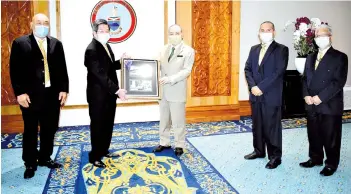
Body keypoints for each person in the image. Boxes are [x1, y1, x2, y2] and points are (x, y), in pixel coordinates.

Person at [9, 13, 69, 179]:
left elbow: (62, 70)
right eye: (39, 22)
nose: (43, 25)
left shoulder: (56, 44)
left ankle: (44, 157)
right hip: (30, 97)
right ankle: (30, 162)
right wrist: (19, 93)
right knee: (30, 131)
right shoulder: (20, 43)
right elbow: (14, 71)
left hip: (52, 96)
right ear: (31, 24)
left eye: (46, 23)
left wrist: (64, 89)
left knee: (49, 129)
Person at [300, 24, 348, 176]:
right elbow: (305, 79)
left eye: (324, 35)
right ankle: (315, 158)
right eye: (317, 36)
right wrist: (306, 95)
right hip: (311, 103)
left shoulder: (340, 57)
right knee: (313, 133)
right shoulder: (310, 57)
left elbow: (338, 82)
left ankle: (331, 163)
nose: (320, 38)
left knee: (330, 136)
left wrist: (320, 98)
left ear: (330, 37)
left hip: (329, 103)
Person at [244, 21, 289, 169]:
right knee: (257, 125)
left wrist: (261, 87)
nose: (265, 32)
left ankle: (275, 156)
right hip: (255, 94)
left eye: (268, 30)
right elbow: (247, 69)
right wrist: (252, 86)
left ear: (274, 32)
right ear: (259, 32)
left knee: (272, 127)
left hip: (271, 94)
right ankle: (259, 150)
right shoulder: (254, 49)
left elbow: (278, 72)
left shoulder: (282, 50)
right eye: (262, 30)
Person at [84, 19, 128, 168]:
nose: (105, 33)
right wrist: (117, 90)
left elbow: (109, 67)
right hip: (98, 96)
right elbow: (99, 74)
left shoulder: (106, 45)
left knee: (108, 123)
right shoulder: (91, 49)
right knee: (98, 125)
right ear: (94, 33)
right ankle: (94, 156)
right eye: (101, 31)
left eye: (107, 31)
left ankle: (104, 150)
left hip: (108, 94)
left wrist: (121, 62)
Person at [152, 24, 195, 156]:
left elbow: (187, 70)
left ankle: (179, 144)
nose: (174, 36)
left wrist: (171, 79)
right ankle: (164, 142)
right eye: (171, 33)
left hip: (176, 89)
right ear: (168, 35)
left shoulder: (188, 51)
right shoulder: (163, 49)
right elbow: (156, 65)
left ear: (182, 34)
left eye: (177, 33)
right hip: (163, 90)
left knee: (178, 120)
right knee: (164, 119)